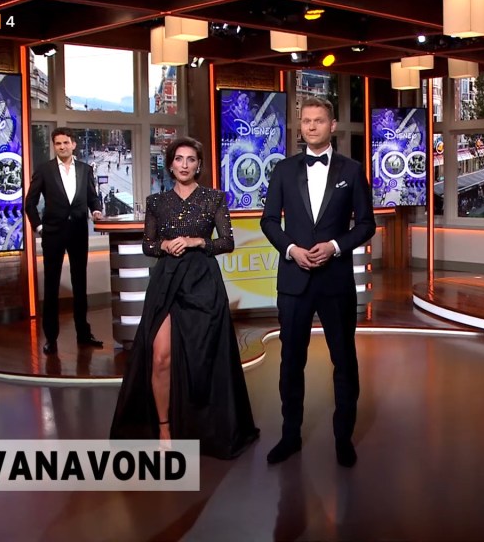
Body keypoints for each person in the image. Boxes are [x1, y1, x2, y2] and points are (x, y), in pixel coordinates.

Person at [110, 137, 259, 459]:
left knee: (201, 358)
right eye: (179, 159)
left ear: (199, 165)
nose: (185, 165)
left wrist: (197, 241)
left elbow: (227, 242)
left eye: (191, 159)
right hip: (166, 282)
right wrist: (164, 245)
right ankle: (164, 426)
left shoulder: (214, 198)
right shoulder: (157, 202)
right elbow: (148, 245)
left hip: (203, 282)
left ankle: (200, 426)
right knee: (160, 356)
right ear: (170, 164)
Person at [260, 97, 376, 468]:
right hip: (294, 280)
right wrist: (291, 249)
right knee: (291, 362)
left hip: (335, 282)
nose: (311, 126)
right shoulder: (283, 170)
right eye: (306, 121)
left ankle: (343, 438)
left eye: (319, 120)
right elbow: (268, 221)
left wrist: (335, 246)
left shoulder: (352, 170)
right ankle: (290, 436)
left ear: (332, 126)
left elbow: (366, 224)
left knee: (344, 360)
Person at [25, 127, 104, 354]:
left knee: (80, 284)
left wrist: (96, 210)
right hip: (53, 234)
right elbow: (30, 203)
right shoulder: (44, 170)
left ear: (73, 144)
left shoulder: (85, 169)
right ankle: (51, 338)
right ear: (54, 146)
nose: (62, 147)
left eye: (65, 142)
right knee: (51, 286)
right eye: (58, 143)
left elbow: (92, 197)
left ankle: (83, 334)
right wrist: (40, 227)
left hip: (78, 232)